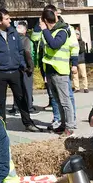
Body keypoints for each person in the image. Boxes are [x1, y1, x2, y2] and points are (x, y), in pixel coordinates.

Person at [0, 8, 39, 132]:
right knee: (1, 102)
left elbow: (20, 51)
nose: (10, 21)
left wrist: (22, 65)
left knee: (22, 99)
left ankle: (28, 123)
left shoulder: (13, 32)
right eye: (7, 19)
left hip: (16, 72)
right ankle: (1, 127)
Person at [39, 8, 77, 137]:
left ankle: (70, 126)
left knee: (65, 101)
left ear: (44, 21)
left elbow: (54, 44)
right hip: (50, 70)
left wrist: (44, 29)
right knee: (58, 100)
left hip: (60, 71)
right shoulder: (50, 31)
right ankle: (63, 123)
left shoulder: (62, 30)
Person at [15, 21, 38, 116]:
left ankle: (16, 107)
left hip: (15, 67)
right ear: (24, 31)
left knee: (17, 88)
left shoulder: (12, 39)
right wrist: (31, 67)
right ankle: (29, 107)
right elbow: (27, 53)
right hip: (24, 67)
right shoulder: (25, 40)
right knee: (27, 88)